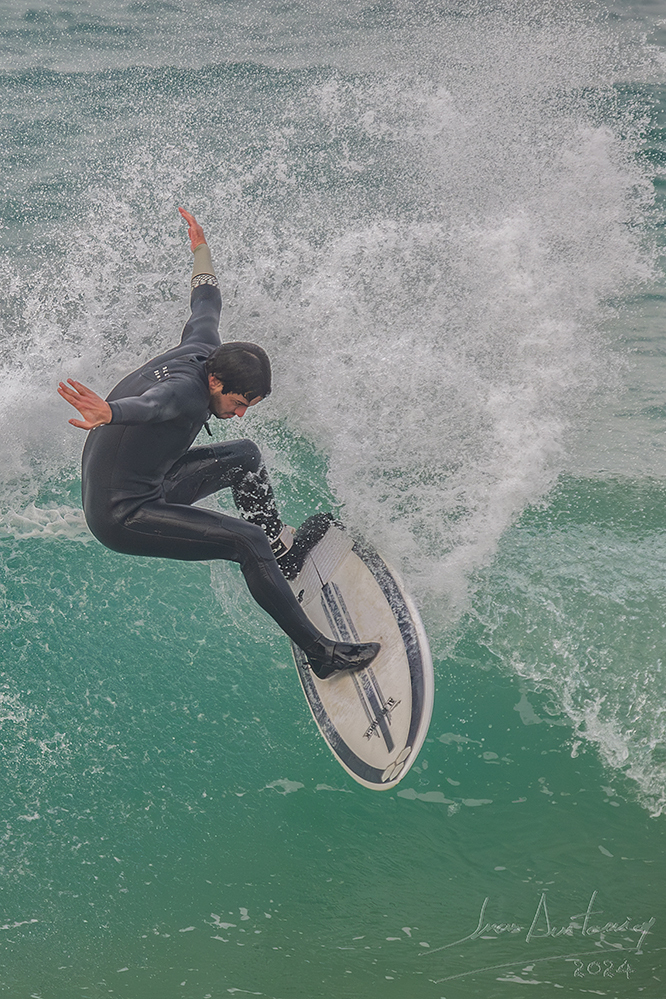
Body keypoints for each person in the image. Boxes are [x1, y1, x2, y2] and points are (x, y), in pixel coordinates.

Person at [57, 208, 379, 680]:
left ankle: (281, 553)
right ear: (214, 381)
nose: (240, 411)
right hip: (123, 513)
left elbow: (205, 302)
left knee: (244, 456)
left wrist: (200, 248)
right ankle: (322, 654)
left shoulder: (207, 345)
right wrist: (111, 413)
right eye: (239, 401)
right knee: (243, 542)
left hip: (152, 479)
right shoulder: (185, 392)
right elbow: (154, 404)